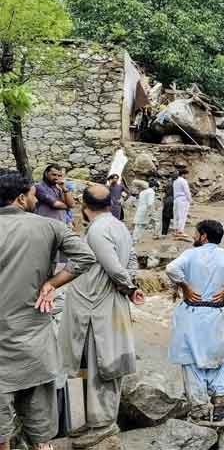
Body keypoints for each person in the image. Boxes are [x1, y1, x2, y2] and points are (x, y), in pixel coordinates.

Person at [0, 170, 95, 450]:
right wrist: (52, 284)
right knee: (41, 432)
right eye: (32, 194)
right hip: (34, 346)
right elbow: (85, 258)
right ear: (20, 197)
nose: (34, 198)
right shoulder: (49, 227)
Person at [59, 185, 145, 448]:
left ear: (85, 207)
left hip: (96, 306)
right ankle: (90, 421)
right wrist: (132, 286)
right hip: (108, 303)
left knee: (100, 364)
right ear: (110, 204)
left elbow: (114, 267)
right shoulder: (119, 226)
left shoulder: (97, 230)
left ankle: (100, 423)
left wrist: (128, 287)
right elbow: (130, 262)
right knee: (103, 362)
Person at [165, 220, 224, 427]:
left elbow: (171, 269)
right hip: (217, 313)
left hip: (193, 313)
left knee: (191, 358)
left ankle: (200, 410)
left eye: (196, 233)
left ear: (204, 236)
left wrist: (185, 285)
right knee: (219, 356)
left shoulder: (190, 254)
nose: (194, 236)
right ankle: (221, 405)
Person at [133, 179, 159, 243]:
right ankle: (155, 235)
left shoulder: (143, 192)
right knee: (142, 226)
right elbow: (150, 203)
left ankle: (136, 239)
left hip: (140, 209)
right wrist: (151, 212)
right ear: (154, 186)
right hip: (146, 210)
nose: (156, 189)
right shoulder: (151, 192)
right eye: (156, 187)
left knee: (139, 225)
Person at [173, 169, 193, 239]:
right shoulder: (183, 181)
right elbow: (187, 191)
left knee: (176, 215)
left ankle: (176, 230)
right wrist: (190, 200)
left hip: (176, 199)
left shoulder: (175, 181)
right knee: (182, 215)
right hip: (183, 199)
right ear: (184, 174)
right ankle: (180, 231)